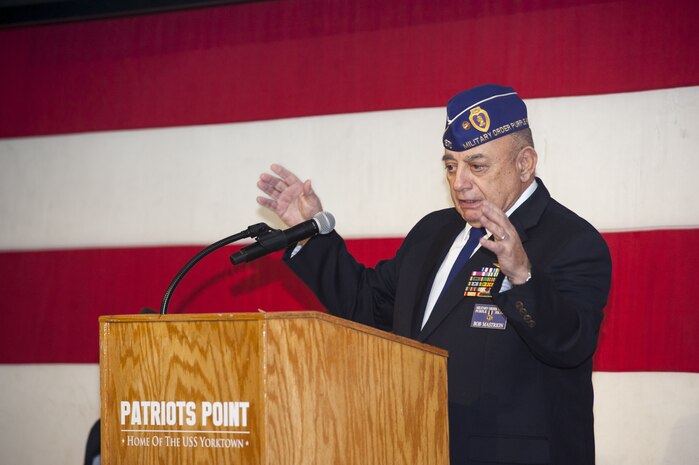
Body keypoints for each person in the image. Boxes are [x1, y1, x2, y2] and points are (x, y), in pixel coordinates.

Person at [256, 84, 612, 465]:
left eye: (477, 166)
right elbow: (365, 303)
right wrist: (309, 233)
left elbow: (571, 344)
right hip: (419, 447)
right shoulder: (433, 232)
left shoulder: (572, 240)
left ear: (524, 164)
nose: (459, 183)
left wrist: (522, 276)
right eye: (450, 166)